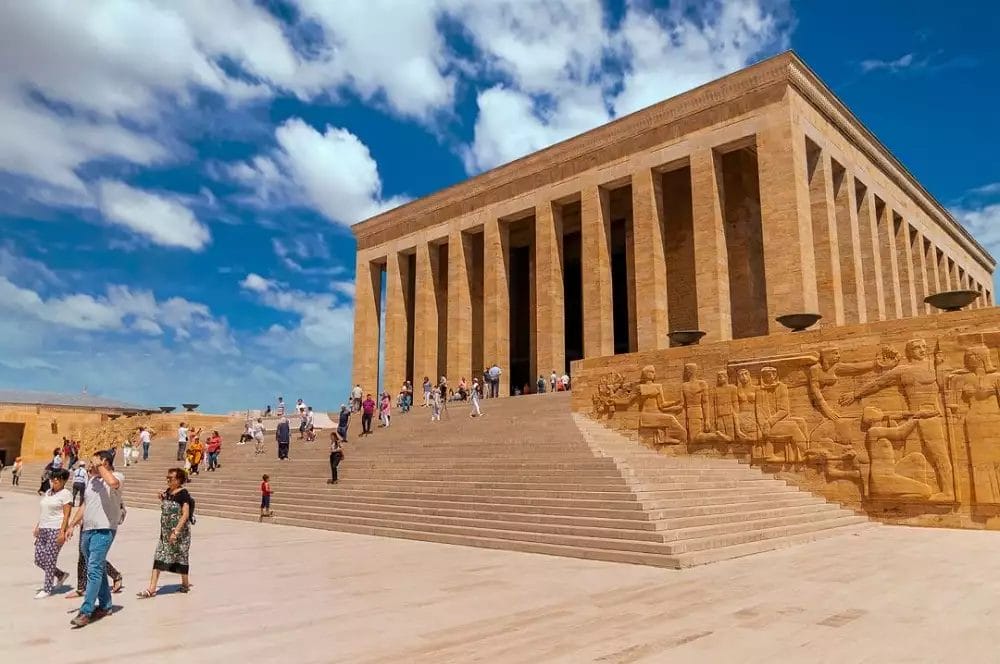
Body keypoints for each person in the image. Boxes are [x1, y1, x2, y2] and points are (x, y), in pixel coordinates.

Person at [66, 450, 124, 628]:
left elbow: (113, 483)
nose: (90, 465)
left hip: (104, 530)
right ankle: (106, 605)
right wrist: (72, 524)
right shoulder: (92, 480)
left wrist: (99, 465)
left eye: (94, 462)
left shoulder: (117, 476)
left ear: (104, 462)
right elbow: (85, 504)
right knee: (96, 569)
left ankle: (86, 611)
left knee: (93, 569)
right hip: (88, 530)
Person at [136, 467, 194, 598]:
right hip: (165, 533)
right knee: (159, 557)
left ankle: (185, 583)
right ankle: (152, 589)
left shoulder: (183, 493)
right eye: (167, 478)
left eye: (170, 478)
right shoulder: (168, 492)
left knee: (181, 557)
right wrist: (162, 498)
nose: (167, 480)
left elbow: (185, 514)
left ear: (178, 480)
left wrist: (176, 531)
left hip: (180, 533)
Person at [33, 468, 72, 598]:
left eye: (58, 478)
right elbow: (44, 511)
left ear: (64, 480)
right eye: (53, 477)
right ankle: (60, 575)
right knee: (39, 559)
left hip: (55, 529)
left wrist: (62, 532)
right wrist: (38, 526)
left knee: (50, 558)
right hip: (43, 529)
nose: (54, 480)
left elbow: (67, 515)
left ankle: (47, 588)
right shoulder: (48, 492)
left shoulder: (66, 494)